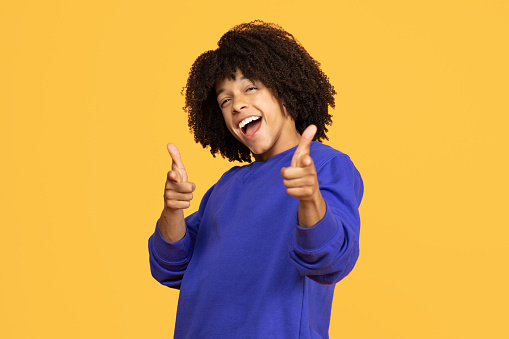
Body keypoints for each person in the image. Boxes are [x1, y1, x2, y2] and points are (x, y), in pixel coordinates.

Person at [148, 21, 364, 338]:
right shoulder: (225, 187)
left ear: (284, 87)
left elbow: (330, 260)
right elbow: (171, 267)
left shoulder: (327, 166)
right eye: (225, 100)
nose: (237, 104)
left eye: (250, 88)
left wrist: (309, 199)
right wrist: (172, 210)